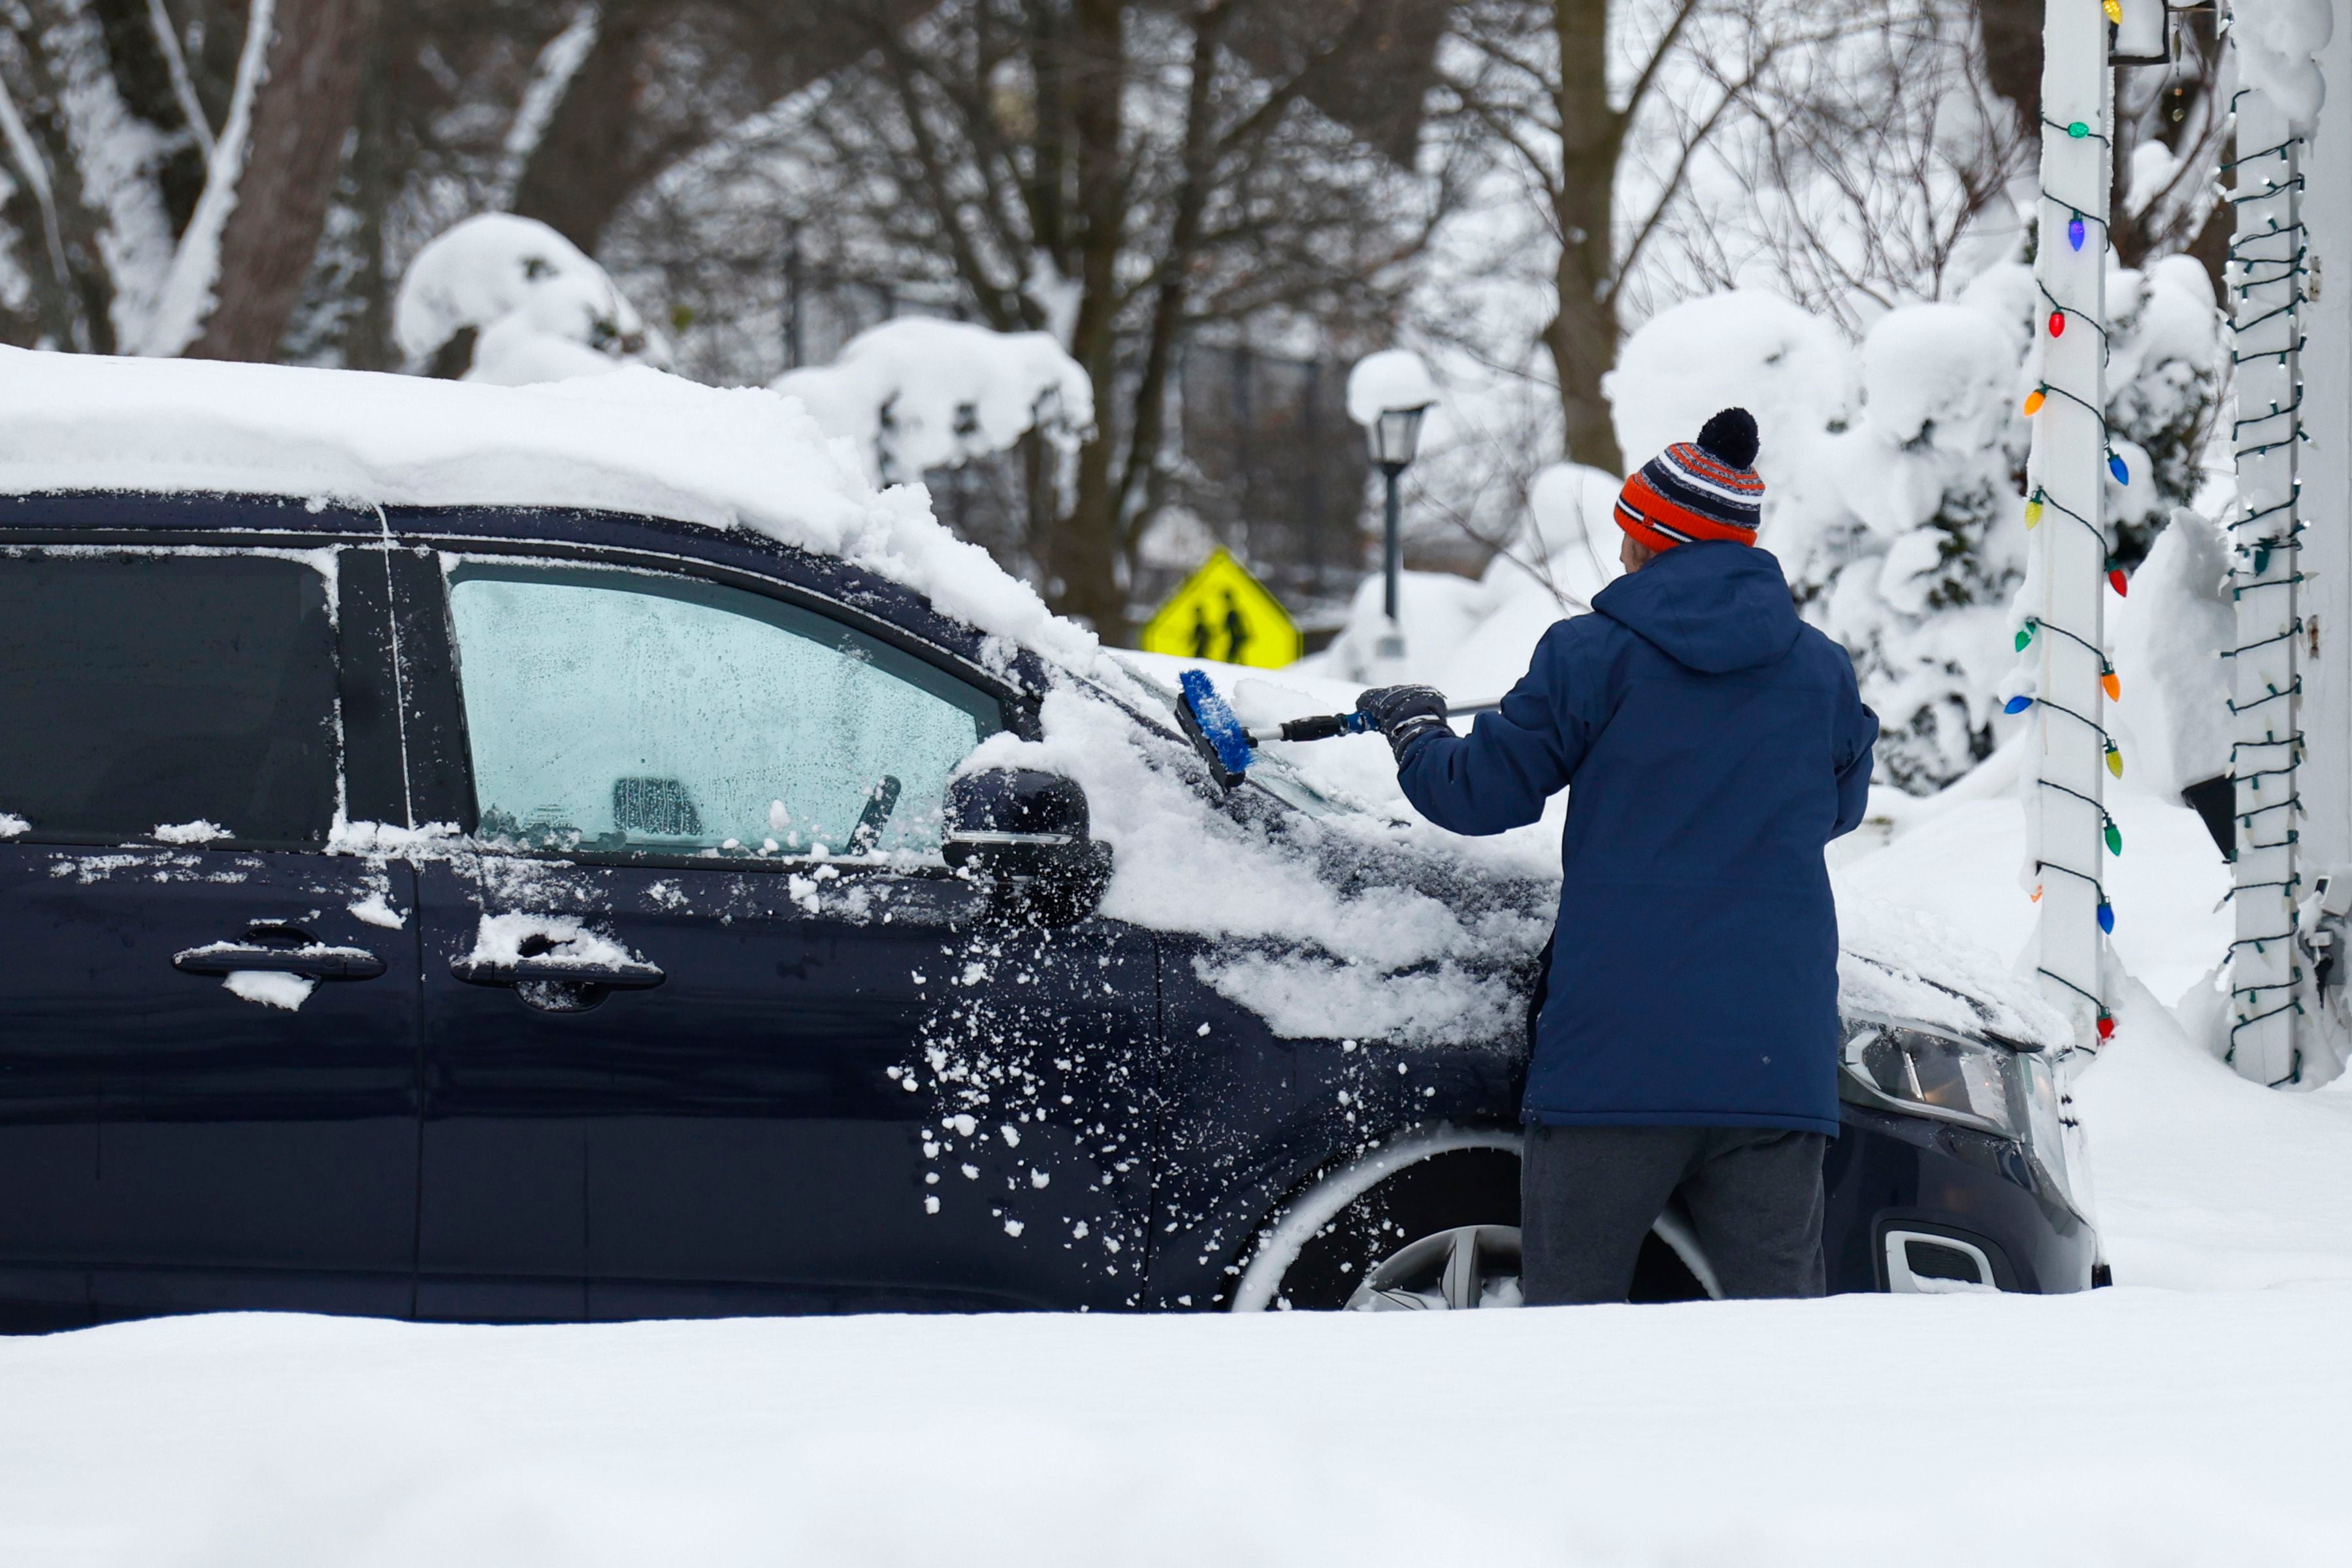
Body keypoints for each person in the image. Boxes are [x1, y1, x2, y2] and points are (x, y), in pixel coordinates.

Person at [1354, 407, 1878, 1305]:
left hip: (1616, 1063)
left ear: (1653, 537)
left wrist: (1413, 730)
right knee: (1782, 1340)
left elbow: (1479, 795)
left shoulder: (1591, 655)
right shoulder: (1820, 672)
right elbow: (1836, 808)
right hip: (1773, 1061)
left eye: (1630, 532)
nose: (1622, 549)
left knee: (1578, 1332)